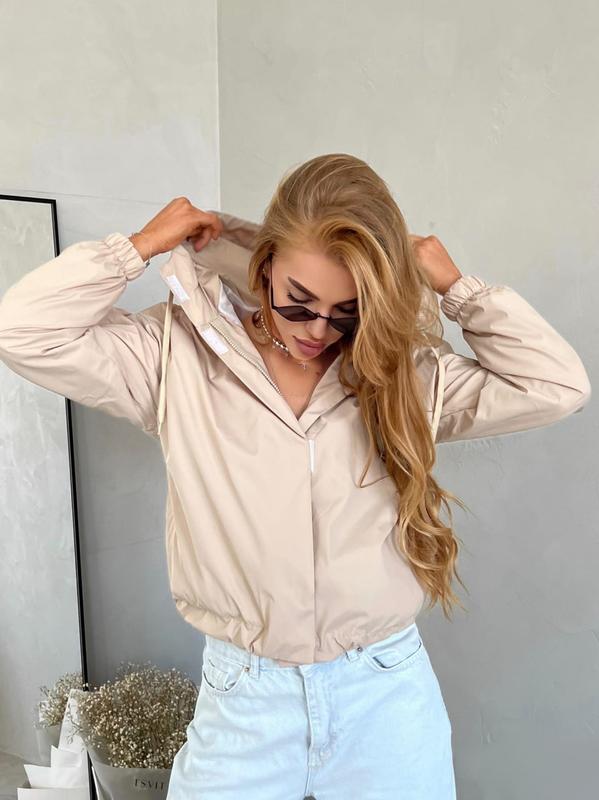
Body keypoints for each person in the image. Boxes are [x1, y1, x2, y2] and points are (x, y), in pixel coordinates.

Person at [0, 153, 591, 799]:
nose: (318, 330)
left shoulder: (403, 374)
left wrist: (457, 288)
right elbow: (22, 330)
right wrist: (136, 247)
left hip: (384, 693)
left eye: (347, 311)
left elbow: (555, 386)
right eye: (299, 302)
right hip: (244, 697)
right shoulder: (173, 354)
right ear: (264, 266)